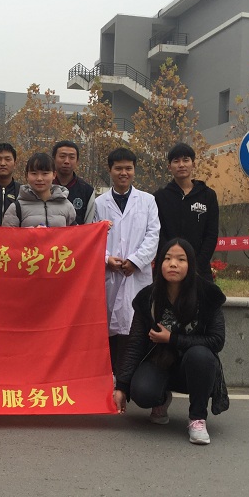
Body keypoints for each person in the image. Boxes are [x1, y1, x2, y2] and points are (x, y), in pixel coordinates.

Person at [113, 238, 229, 445]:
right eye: (167, 259)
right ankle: (161, 398)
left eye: (181, 259)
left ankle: (197, 418)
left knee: (201, 355)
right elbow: (136, 343)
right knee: (142, 392)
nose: (173, 264)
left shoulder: (208, 295)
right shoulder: (148, 297)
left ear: (191, 264)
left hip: (194, 367)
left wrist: (172, 339)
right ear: (160, 264)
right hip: (160, 362)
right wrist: (121, 385)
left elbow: (216, 340)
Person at [93, 147, 160, 376]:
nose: (124, 173)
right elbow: (93, 237)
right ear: (110, 170)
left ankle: (131, 377)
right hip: (110, 273)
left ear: (134, 170)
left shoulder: (148, 201)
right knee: (109, 329)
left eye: (128, 168)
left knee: (135, 326)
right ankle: (111, 377)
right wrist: (106, 259)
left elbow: (153, 235)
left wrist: (135, 260)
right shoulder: (99, 203)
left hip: (136, 275)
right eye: (118, 168)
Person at [154, 142, 219, 281]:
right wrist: (171, 261)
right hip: (167, 269)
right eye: (176, 161)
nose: (181, 165)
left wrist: (196, 266)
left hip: (199, 271)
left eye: (185, 160)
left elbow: (211, 235)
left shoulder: (208, 195)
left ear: (193, 164)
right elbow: (157, 234)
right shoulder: (159, 197)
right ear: (169, 167)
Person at [2, 152, 76, 228]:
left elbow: (74, 233)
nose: (39, 178)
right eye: (34, 173)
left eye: (45, 173)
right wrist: (30, 232)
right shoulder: (16, 207)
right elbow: (7, 234)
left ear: (54, 175)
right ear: (27, 175)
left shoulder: (66, 205)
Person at [52, 140, 95, 225]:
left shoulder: (87, 191)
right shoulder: (44, 187)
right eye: (62, 156)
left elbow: (89, 226)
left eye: (72, 157)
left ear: (77, 161)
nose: (67, 161)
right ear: (54, 159)